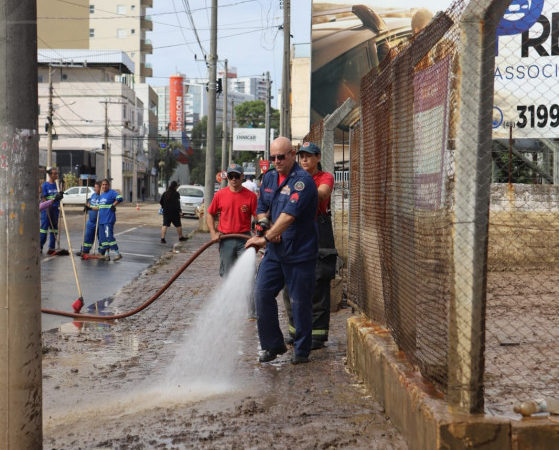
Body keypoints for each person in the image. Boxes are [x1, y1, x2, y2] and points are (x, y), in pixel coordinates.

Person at [245, 136, 318, 365]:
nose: (276, 161)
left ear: (292, 154)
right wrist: (264, 222)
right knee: (262, 293)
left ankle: (302, 350)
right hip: (276, 252)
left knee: (299, 302)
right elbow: (262, 207)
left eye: (281, 156)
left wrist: (265, 237)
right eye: (273, 157)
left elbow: (288, 215)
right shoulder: (269, 178)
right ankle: (272, 345)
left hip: (299, 252)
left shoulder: (302, 181)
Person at [283, 142, 337, 350]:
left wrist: (300, 186)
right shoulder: (291, 177)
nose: (304, 159)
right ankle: (295, 330)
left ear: (317, 158)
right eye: (301, 156)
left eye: (309, 156)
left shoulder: (325, 177)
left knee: (317, 283)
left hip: (318, 230)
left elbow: (322, 194)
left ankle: (317, 334)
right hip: (293, 229)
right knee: (290, 283)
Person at [207, 163, 257, 277]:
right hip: (226, 239)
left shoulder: (251, 196)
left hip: (244, 239)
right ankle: (229, 294)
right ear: (227, 177)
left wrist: (260, 234)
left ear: (242, 176)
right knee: (227, 273)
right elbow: (210, 214)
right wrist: (213, 233)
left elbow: (259, 217)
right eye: (231, 176)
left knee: (248, 272)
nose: (233, 179)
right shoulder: (220, 195)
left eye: (236, 176)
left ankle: (247, 295)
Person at [97, 179, 123, 261]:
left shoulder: (112, 193)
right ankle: (107, 254)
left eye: (106, 184)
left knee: (109, 237)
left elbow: (120, 198)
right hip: (101, 220)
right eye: (103, 185)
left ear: (108, 185)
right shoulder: (101, 195)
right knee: (103, 238)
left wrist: (113, 205)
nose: (104, 186)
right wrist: (89, 206)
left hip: (108, 219)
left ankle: (117, 253)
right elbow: (98, 207)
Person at [40, 167, 61, 254]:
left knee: (54, 229)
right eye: (55, 174)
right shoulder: (45, 185)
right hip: (47, 210)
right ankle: (40, 246)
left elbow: (58, 197)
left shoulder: (57, 185)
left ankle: (51, 248)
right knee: (44, 229)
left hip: (55, 209)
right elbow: (44, 198)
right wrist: (47, 206)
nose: (56, 175)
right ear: (50, 175)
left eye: (57, 173)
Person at [78, 181, 101, 256]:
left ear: (100, 188)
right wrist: (87, 206)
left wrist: (90, 208)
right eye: (95, 187)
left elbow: (99, 207)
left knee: (101, 238)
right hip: (91, 221)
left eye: (97, 187)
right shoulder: (93, 195)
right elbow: (89, 203)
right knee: (87, 236)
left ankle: (102, 252)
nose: (95, 189)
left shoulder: (102, 196)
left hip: (99, 221)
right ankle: (84, 250)